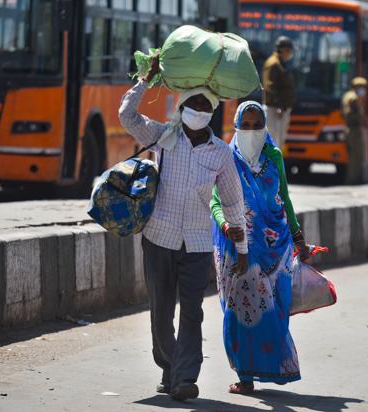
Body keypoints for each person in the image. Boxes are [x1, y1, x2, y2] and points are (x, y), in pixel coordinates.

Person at [118, 55, 249, 401]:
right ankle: (170, 367)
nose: (199, 110)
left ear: (212, 112)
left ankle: (184, 378)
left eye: (205, 105)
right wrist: (145, 80)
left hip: (197, 244)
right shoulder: (163, 136)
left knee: (192, 311)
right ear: (181, 106)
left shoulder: (220, 154)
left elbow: (234, 202)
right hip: (158, 238)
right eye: (194, 103)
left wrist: (243, 246)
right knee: (161, 312)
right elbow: (126, 116)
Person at [211, 101, 311, 395]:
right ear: (236, 126)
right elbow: (216, 201)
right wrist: (226, 226)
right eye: (246, 125)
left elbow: (285, 198)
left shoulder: (274, 156)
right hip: (236, 248)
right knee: (238, 312)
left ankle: (279, 366)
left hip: (275, 248)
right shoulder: (226, 159)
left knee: (274, 312)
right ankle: (245, 375)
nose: (252, 131)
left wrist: (298, 237)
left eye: (257, 125)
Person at [262, 36, 296, 149]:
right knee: (273, 142)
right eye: (288, 51)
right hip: (274, 109)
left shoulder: (280, 63)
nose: (289, 54)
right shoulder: (273, 64)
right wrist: (279, 105)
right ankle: (271, 166)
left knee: (279, 142)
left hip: (280, 108)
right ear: (281, 50)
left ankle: (276, 166)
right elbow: (270, 87)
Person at [341, 77, 368, 185]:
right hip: (355, 129)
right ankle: (354, 180)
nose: (363, 89)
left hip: (349, 128)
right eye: (361, 87)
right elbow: (352, 113)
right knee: (357, 157)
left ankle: (353, 179)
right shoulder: (353, 98)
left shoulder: (347, 96)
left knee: (353, 157)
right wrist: (362, 119)